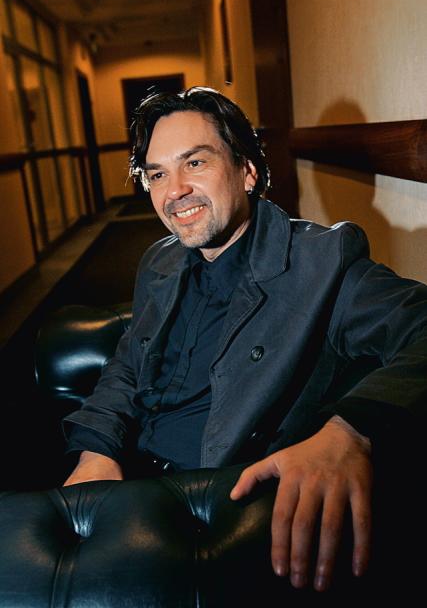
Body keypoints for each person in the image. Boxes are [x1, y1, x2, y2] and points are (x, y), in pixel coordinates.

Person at [63, 87, 427, 593]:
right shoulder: (159, 260)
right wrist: (97, 451)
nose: (174, 191)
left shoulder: (322, 263)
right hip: (131, 482)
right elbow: (128, 364)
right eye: (157, 174)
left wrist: (351, 430)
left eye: (195, 162)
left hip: (223, 505)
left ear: (248, 171)